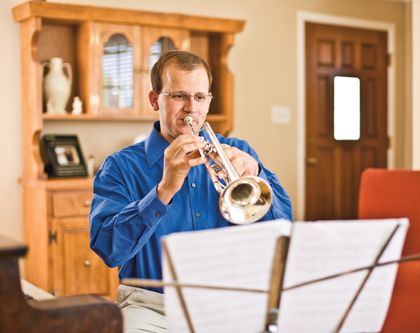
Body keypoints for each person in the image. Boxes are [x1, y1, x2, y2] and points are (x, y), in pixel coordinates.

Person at [89, 50, 293, 333]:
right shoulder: (120, 166)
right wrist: (163, 190)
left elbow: (284, 226)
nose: (191, 109)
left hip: (231, 303)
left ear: (209, 100)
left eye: (199, 97)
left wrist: (257, 174)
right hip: (153, 307)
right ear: (154, 99)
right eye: (179, 96)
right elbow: (109, 250)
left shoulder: (239, 152)